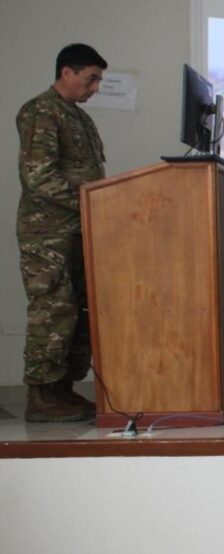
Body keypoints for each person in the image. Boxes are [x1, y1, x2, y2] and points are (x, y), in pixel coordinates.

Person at [16, 43, 108, 422]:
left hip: (78, 231)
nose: (95, 88)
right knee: (53, 311)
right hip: (47, 235)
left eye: (99, 80)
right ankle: (42, 397)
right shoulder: (41, 111)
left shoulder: (80, 118)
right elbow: (38, 176)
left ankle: (64, 391)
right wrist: (88, 203)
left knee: (79, 312)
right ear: (66, 73)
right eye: (91, 79)